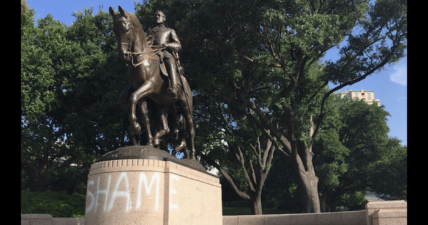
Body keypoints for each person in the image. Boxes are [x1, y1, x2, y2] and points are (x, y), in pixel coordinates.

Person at [150, 10, 181, 100]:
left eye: (159, 15)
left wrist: (167, 45)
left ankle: (174, 87)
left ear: (164, 18)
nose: (157, 17)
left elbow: (178, 45)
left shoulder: (170, 30)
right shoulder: (151, 31)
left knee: (170, 60)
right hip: (152, 53)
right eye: (155, 15)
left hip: (164, 52)